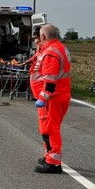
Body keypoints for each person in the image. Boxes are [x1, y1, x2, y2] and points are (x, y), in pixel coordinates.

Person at [29, 24, 72, 174]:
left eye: (38, 37)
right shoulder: (57, 47)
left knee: (49, 130)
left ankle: (53, 163)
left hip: (52, 98)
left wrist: (43, 97)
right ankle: (49, 157)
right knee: (49, 129)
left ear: (42, 37)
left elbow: (50, 79)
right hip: (60, 95)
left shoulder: (51, 52)